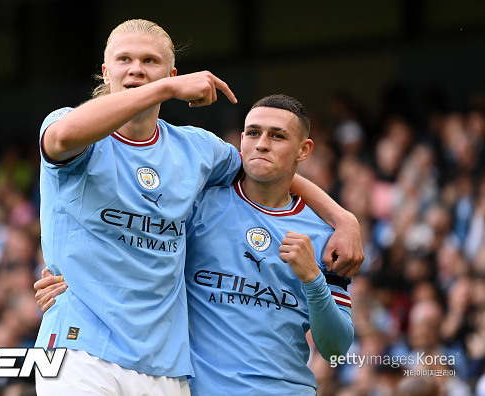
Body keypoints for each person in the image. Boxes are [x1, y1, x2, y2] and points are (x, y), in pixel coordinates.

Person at [35, 18, 362, 395]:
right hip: (82, 346)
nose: (137, 69)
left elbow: (263, 169)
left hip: (165, 367)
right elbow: (62, 138)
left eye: (151, 62)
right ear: (106, 71)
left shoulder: (198, 150)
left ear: (170, 69)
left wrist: (342, 218)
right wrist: (169, 88)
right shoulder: (67, 125)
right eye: (124, 59)